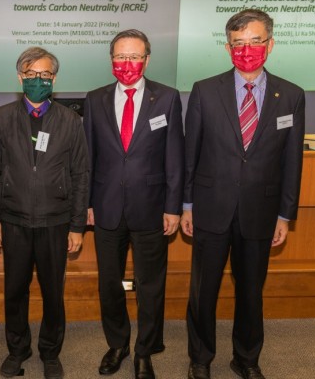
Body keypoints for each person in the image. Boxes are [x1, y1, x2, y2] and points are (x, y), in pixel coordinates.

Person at [182, 9, 305, 379]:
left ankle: (246, 359)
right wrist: (186, 205)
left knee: (251, 291)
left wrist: (286, 215)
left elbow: (293, 160)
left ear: (270, 44)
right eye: (238, 43)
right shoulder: (205, 90)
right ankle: (200, 359)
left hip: (261, 211)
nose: (246, 49)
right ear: (227, 46)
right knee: (204, 290)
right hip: (210, 207)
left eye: (254, 41)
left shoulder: (292, 96)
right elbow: (191, 153)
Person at [83, 29, 184, 379]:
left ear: (147, 59)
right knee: (109, 283)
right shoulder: (94, 99)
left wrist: (173, 206)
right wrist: (87, 204)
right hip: (106, 207)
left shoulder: (167, 98)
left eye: (134, 56)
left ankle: (145, 349)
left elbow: (175, 157)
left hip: (152, 208)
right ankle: (118, 344)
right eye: (120, 57)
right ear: (112, 60)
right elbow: (89, 158)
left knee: (151, 284)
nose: (127, 63)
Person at [0, 47, 89, 379]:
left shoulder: (71, 121)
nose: (37, 80)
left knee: (52, 291)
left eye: (44, 75)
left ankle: (50, 351)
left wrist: (77, 226)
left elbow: (80, 175)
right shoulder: (0, 118)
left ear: (54, 79)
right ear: (20, 77)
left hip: (55, 221)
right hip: (13, 221)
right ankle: (17, 350)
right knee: (15, 289)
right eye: (30, 75)